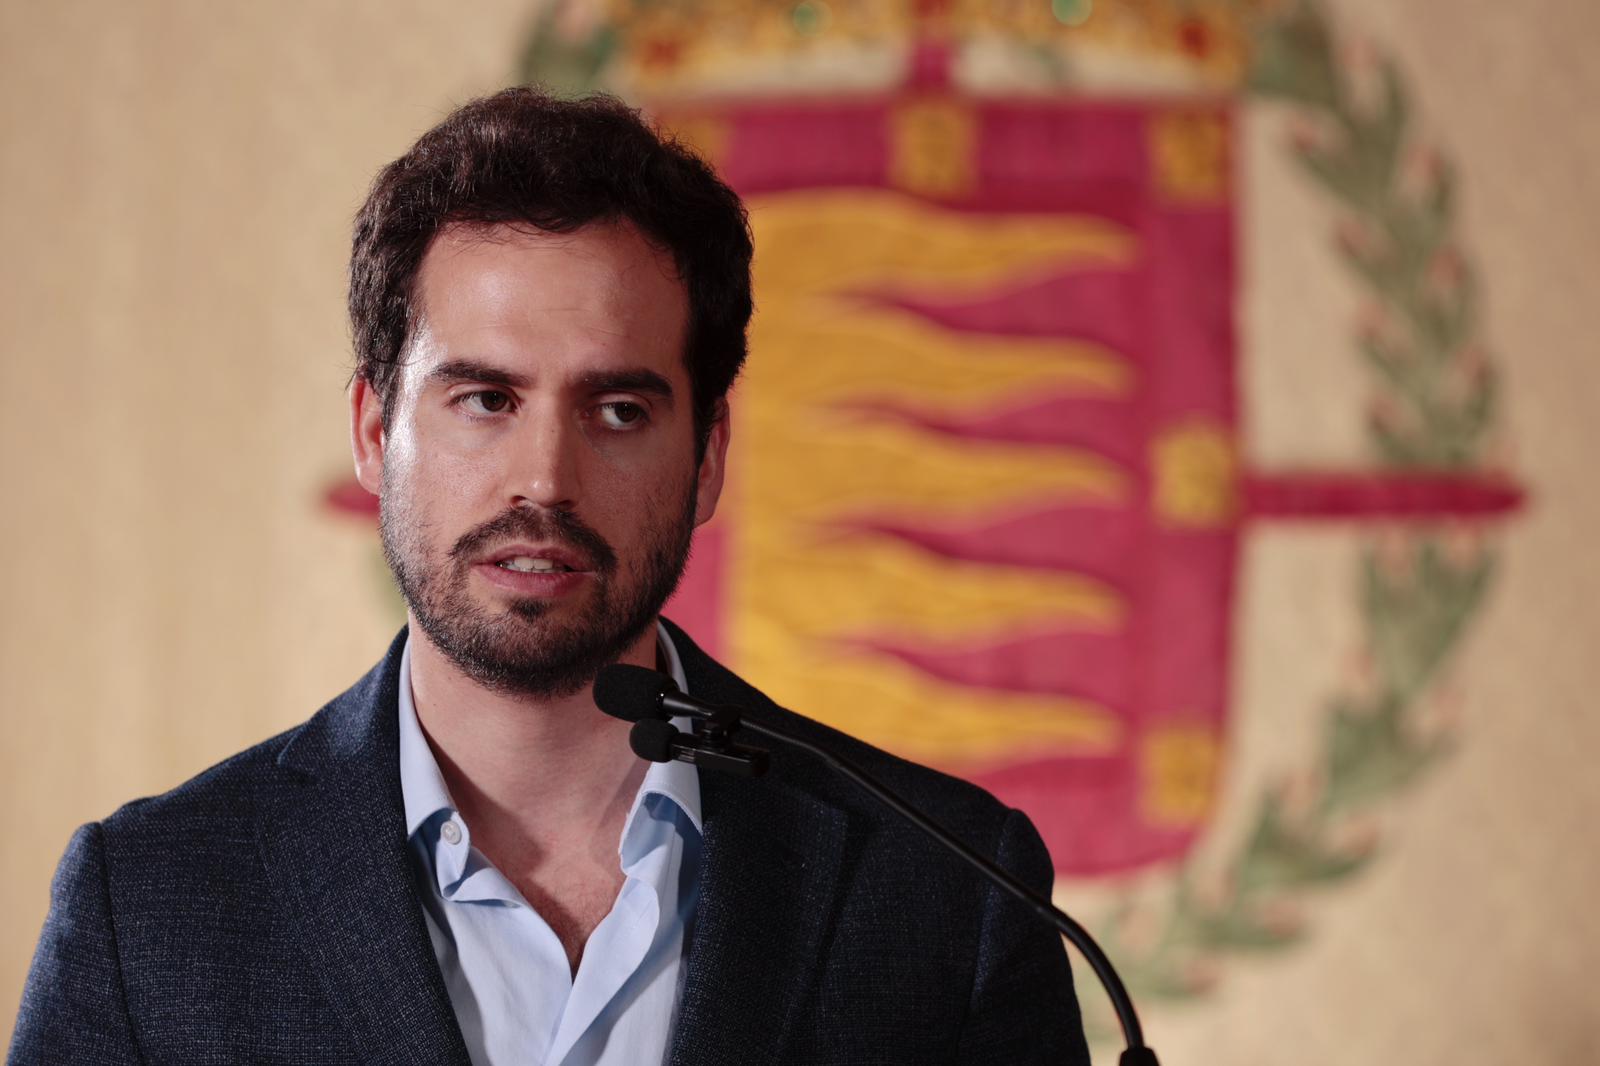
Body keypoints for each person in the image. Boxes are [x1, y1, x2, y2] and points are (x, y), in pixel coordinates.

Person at [8, 88, 1090, 1066]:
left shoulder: (952, 890)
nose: (545, 479)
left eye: (617, 411)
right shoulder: (147, 907)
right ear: (376, 433)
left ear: (708, 458)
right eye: (485, 399)